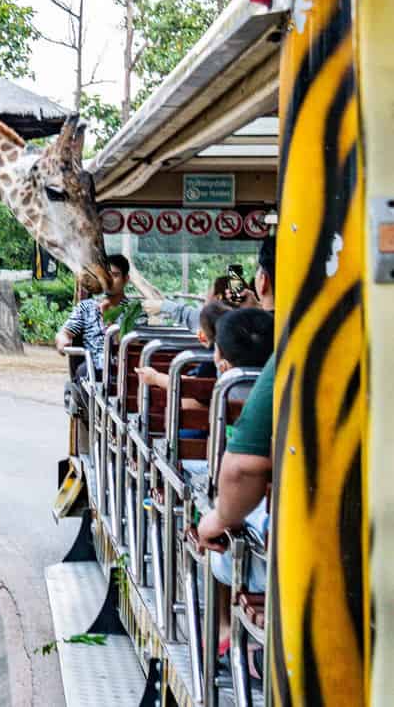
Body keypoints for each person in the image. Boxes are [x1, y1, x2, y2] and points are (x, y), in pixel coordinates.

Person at [194, 236, 277, 670]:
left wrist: (220, 519)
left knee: (214, 531)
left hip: (282, 549)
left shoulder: (292, 355)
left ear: (262, 282)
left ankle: (226, 635)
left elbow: (242, 468)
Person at [55, 253, 131, 384]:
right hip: (93, 368)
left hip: (123, 369)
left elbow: (133, 344)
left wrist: (108, 318)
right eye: (105, 275)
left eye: (115, 275)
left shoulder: (133, 311)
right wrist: (62, 341)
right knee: (84, 373)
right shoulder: (86, 307)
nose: (109, 280)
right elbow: (64, 333)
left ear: (126, 279)